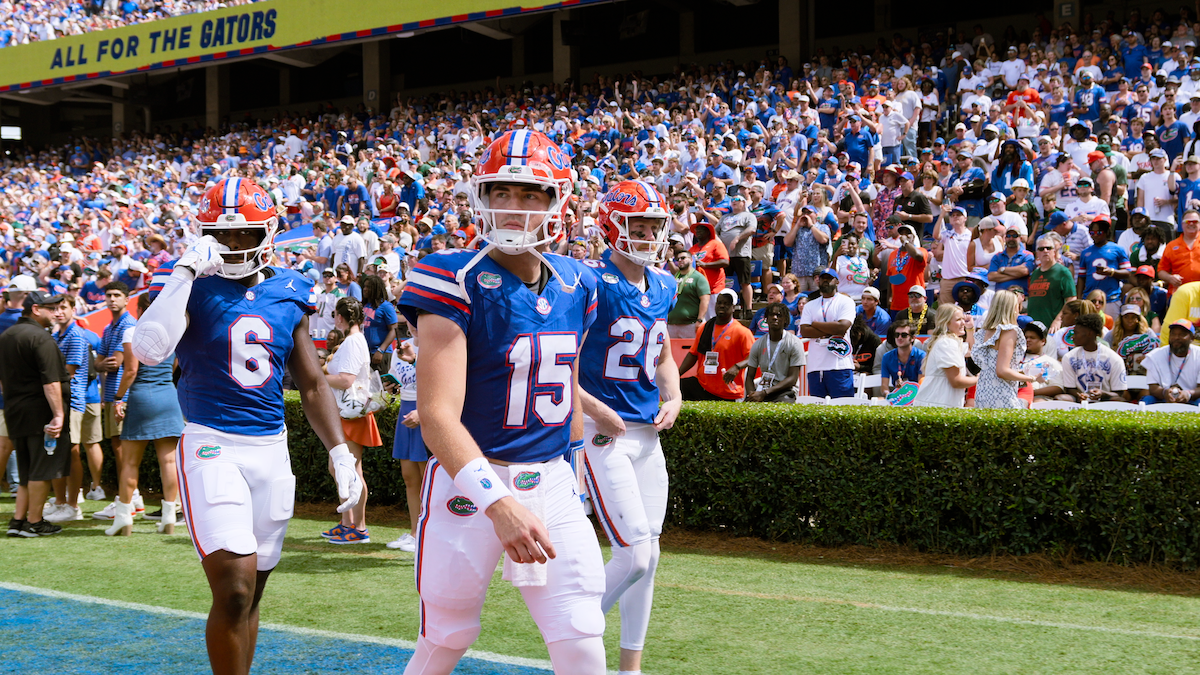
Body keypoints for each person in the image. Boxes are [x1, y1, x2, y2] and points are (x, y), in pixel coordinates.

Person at [396, 130, 608, 674]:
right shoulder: (453, 276)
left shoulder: (578, 282)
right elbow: (438, 414)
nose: (513, 208)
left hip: (553, 482)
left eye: (530, 194)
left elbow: (568, 393)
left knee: (581, 634)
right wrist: (498, 503)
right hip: (471, 487)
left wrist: (575, 475)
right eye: (502, 193)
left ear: (556, 201)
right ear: (481, 196)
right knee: (446, 636)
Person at [132, 178, 362, 675]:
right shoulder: (188, 285)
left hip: (271, 451)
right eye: (222, 234)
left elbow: (314, 383)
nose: (233, 245)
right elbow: (149, 350)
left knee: (253, 591)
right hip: (212, 443)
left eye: (244, 234)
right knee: (233, 590)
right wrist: (183, 273)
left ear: (270, 230)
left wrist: (339, 451)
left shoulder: (290, 289)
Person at [577, 179, 682, 675]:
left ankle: (629, 668)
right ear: (610, 224)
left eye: (652, 226)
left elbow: (659, 351)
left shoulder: (664, 283)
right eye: (635, 225)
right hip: (605, 435)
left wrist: (675, 393)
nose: (645, 235)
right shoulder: (589, 281)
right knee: (635, 555)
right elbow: (556, 359)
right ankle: (571, 633)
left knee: (651, 557)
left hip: (648, 435)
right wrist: (592, 407)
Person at [107, 292, 185, 536]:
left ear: (140, 309)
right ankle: (169, 516)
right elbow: (175, 366)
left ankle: (123, 519)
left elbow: (130, 371)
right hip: (168, 396)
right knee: (169, 461)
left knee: (130, 462)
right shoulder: (173, 331)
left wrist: (118, 397)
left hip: (142, 397)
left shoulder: (132, 331)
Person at [0, 291, 70, 538]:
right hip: (41, 413)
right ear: (37, 309)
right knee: (41, 470)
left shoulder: (6, 335)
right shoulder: (41, 338)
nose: (56, 313)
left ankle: (17, 521)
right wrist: (58, 415)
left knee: (26, 470)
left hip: (15, 410)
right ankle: (34, 521)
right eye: (51, 308)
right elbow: (51, 382)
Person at [321, 296, 381, 544]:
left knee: (350, 469)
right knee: (339, 467)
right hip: (347, 411)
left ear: (340, 317)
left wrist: (319, 377)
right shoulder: (354, 340)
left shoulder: (354, 341)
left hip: (351, 412)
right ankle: (349, 523)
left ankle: (358, 527)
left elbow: (346, 380)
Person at [91, 281, 143, 521]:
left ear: (126, 299)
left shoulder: (128, 325)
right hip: (113, 394)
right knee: (117, 447)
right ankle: (133, 498)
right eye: (108, 295)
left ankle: (128, 498)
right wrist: (102, 363)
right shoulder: (109, 327)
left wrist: (103, 363)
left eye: (117, 295)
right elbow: (101, 362)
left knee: (123, 450)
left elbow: (118, 362)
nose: (112, 299)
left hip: (124, 395)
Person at [385, 330, 426, 553]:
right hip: (406, 410)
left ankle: (428, 534)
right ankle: (415, 532)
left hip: (426, 412)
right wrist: (391, 387)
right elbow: (398, 380)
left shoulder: (434, 342)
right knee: (410, 478)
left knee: (427, 478)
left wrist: (424, 412)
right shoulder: (400, 348)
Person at [678, 289, 755, 401]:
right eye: (719, 302)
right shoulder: (705, 328)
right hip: (703, 385)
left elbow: (753, 357)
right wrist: (676, 375)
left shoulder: (742, 332)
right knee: (677, 387)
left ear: (734, 308)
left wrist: (737, 366)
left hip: (728, 391)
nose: (722, 306)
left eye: (727, 303)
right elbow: (693, 354)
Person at [972, 290, 1037, 409]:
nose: (1019, 310)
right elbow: (1002, 371)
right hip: (1002, 393)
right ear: (1011, 308)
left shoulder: (984, 332)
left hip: (982, 392)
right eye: (1017, 306)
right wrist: (1031, 378)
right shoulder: (1009, 330)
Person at [798, 268, 856, 398]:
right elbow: (805, 331)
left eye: (829, 278)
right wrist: (831, 327)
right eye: (822, 278)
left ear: (836, 281)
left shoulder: (846, 301)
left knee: (842, 408)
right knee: (817, 411)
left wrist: (815, 324)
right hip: (816, 367)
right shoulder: (810, 305)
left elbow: (842, 327)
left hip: (840, 365)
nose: (825, 281)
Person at [732, 302, 805, 402]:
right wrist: (751, 394)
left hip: (785, 391)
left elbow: (792, 378)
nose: (775, 317)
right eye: (771, 315)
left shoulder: (794, 343)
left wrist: (764, 393)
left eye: (779, 315)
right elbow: (749, 377)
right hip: (763, 390)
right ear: (766, 319)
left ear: (785, 320)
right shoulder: (758, 344)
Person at [913, 303, 977, 407]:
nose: (962, 323)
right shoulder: (947, 343)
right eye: (958, 320)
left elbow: (971, 351)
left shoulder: (950, 341)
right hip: (937, 404)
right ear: (946, 323)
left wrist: (970, 329)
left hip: (940, 403)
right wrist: (980, 379)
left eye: (963, 319)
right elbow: (956, 381)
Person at [1060, 312, 1130, 402]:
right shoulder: (1069, 357)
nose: (1073, 337)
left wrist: (1102, 393)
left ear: (1090, 333)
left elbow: (1119, 392)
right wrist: (1080, 395)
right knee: (1060, 398)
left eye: (1076, 333)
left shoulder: (1114, 358)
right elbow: (1069, 388)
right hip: (1079, 400)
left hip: (1105, 400)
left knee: (1119, 400)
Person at [1141, 319, 1200, 404]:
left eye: (1182, 334)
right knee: (1148, 400)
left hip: (1191, 399)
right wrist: (1165, 393)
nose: (1176, 337)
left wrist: (1188, 394)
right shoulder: (1155, 355)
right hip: (1164, 398)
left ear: (1192, 338)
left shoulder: (1198, 355)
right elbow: (1153, 388)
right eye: (1173, 334)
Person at [666, 249, 710, 340]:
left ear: (691, 259)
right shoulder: (673, 277)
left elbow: (705, 300)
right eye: (678, 259)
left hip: (691, 324)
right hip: (672, 324)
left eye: (683, 258)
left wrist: (700, 320)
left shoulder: (698, 277)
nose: (680, 260)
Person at [361, 274, 399, 374]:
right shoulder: (365, 305)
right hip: (365, 353)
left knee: (380, 387)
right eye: (364, 286)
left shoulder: (386, 306)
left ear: (376, 288)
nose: (365, 289)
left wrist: (381, 350)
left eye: (369, 287)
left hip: (380, 354)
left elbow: (394, 330)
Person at [879, 320, 926, 396]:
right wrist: (888, 395)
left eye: (904, 335)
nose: (899, 338)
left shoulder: (921, 356)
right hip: (897, 396)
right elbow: (884, 386)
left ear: (913, 338)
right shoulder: (887, 357)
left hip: (917, 396)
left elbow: (921, 384)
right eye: (897, 335)